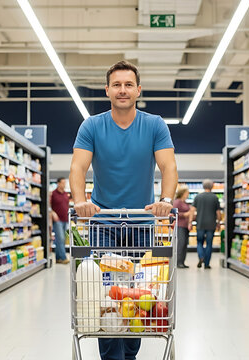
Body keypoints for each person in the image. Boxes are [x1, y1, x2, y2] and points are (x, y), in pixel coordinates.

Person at [70, 60, 177, 360]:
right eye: (116, 84)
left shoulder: (155, 124)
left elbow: (168, 165)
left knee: (139, 297)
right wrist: (80, 201)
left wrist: (166, 201)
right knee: (108, 296)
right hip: (103, 223)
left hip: (142, 224)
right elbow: (78, 167)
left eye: (128, 84)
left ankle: (129, 353)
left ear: (138, 90)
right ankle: (112, 358)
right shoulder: (91, 126)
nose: (122, 90)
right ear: (107, 90)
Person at [190, 179, 221, 269]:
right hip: (211, 225)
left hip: (200, 224)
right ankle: (207, 264)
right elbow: (218, 212)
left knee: (199, 242)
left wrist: (190, 222)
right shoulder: (215, 198)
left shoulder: (198, 197)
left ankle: (201, 257)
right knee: (209, 243)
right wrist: (218, 222)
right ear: (212, 186)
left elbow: (192, 210)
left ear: (203, 186)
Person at [50, 177, 70, 264]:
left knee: (60, 239)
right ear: (58, 183)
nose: (64, 184)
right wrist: (52, 213)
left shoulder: (66, 194)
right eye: (63, 182)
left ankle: (58, 258)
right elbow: (48, 206)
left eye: (65, 183)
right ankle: (63, 257)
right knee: (60, 238)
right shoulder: (53, 194)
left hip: (65, 219)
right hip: (57, 220)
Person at [173, 185, 192, 268]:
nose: (188, 194)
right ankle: (178, 262)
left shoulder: (185, 202)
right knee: (181, 243)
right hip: (179, 225)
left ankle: (182, 262)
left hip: (185, 226)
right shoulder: (177, 202)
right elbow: (174, 213)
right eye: (187, 193)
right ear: (183, 193)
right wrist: (185, 214)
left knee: (184, 244)